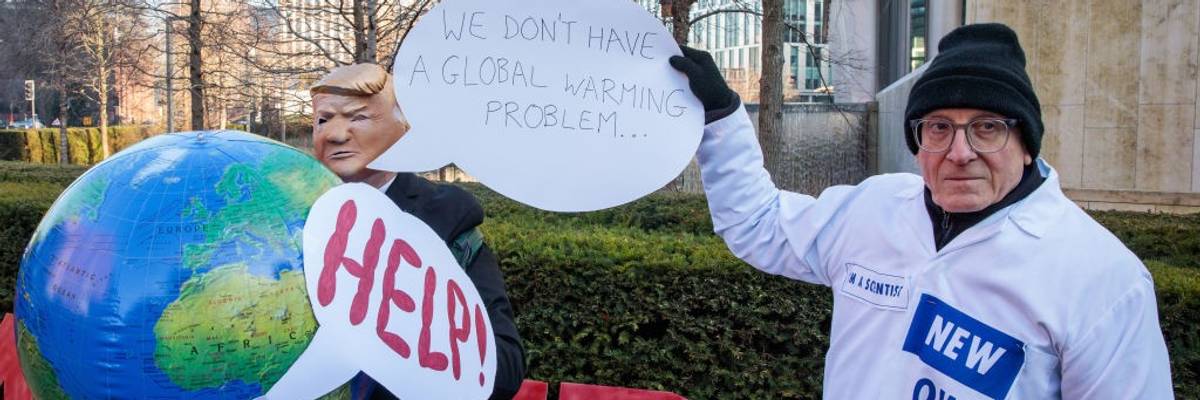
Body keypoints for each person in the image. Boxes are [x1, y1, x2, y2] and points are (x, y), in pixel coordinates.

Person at [669, 23, 1173, 399]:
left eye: (987, 127)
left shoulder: (1104, 279)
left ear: (1026, 143)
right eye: (938, 127)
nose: (959, 152)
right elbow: (758, 225)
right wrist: (721, 118)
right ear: (916, 142)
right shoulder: (875, 208)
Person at [309, 63, 527, 400]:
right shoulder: (289, 216)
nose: (335, 134)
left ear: (402, 127)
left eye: (357, 117)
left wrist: (399, 308)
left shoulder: (447, 217)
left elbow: (504, 368)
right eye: (323, 120)